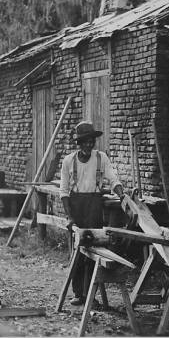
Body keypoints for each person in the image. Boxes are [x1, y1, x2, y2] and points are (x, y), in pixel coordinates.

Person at [60, 121, 125, 306]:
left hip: (94, 207)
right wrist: (70, 217)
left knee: (93, 250)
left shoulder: (101, 158)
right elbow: (64, 192)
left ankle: (91, 295)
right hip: (76, 207)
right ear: (79, 143)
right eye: (85, 141)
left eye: (91, 141)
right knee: (77, 252)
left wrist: (123, 196)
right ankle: (78, 293)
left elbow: (113, 179)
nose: (89, 145)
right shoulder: (68, 161)